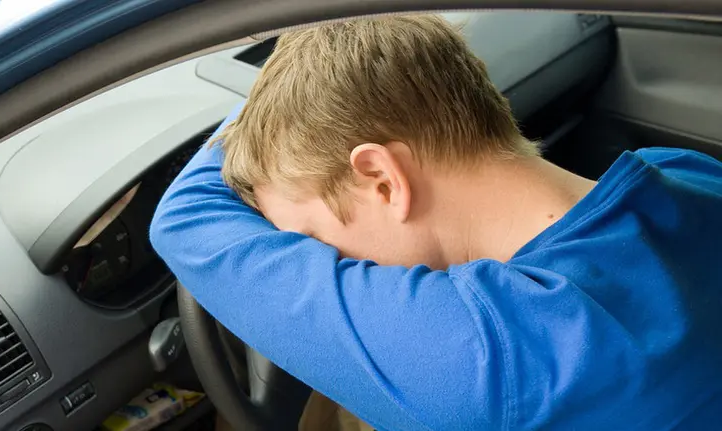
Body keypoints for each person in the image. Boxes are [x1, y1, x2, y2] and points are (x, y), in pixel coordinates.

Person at [149, 14, 722, 431]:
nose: (321, 264)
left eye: (310, 241)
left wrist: (303, 58)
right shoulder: (686, 176)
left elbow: (183, 219)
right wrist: (336, 59)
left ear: (382, 179)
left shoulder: (489, 358)